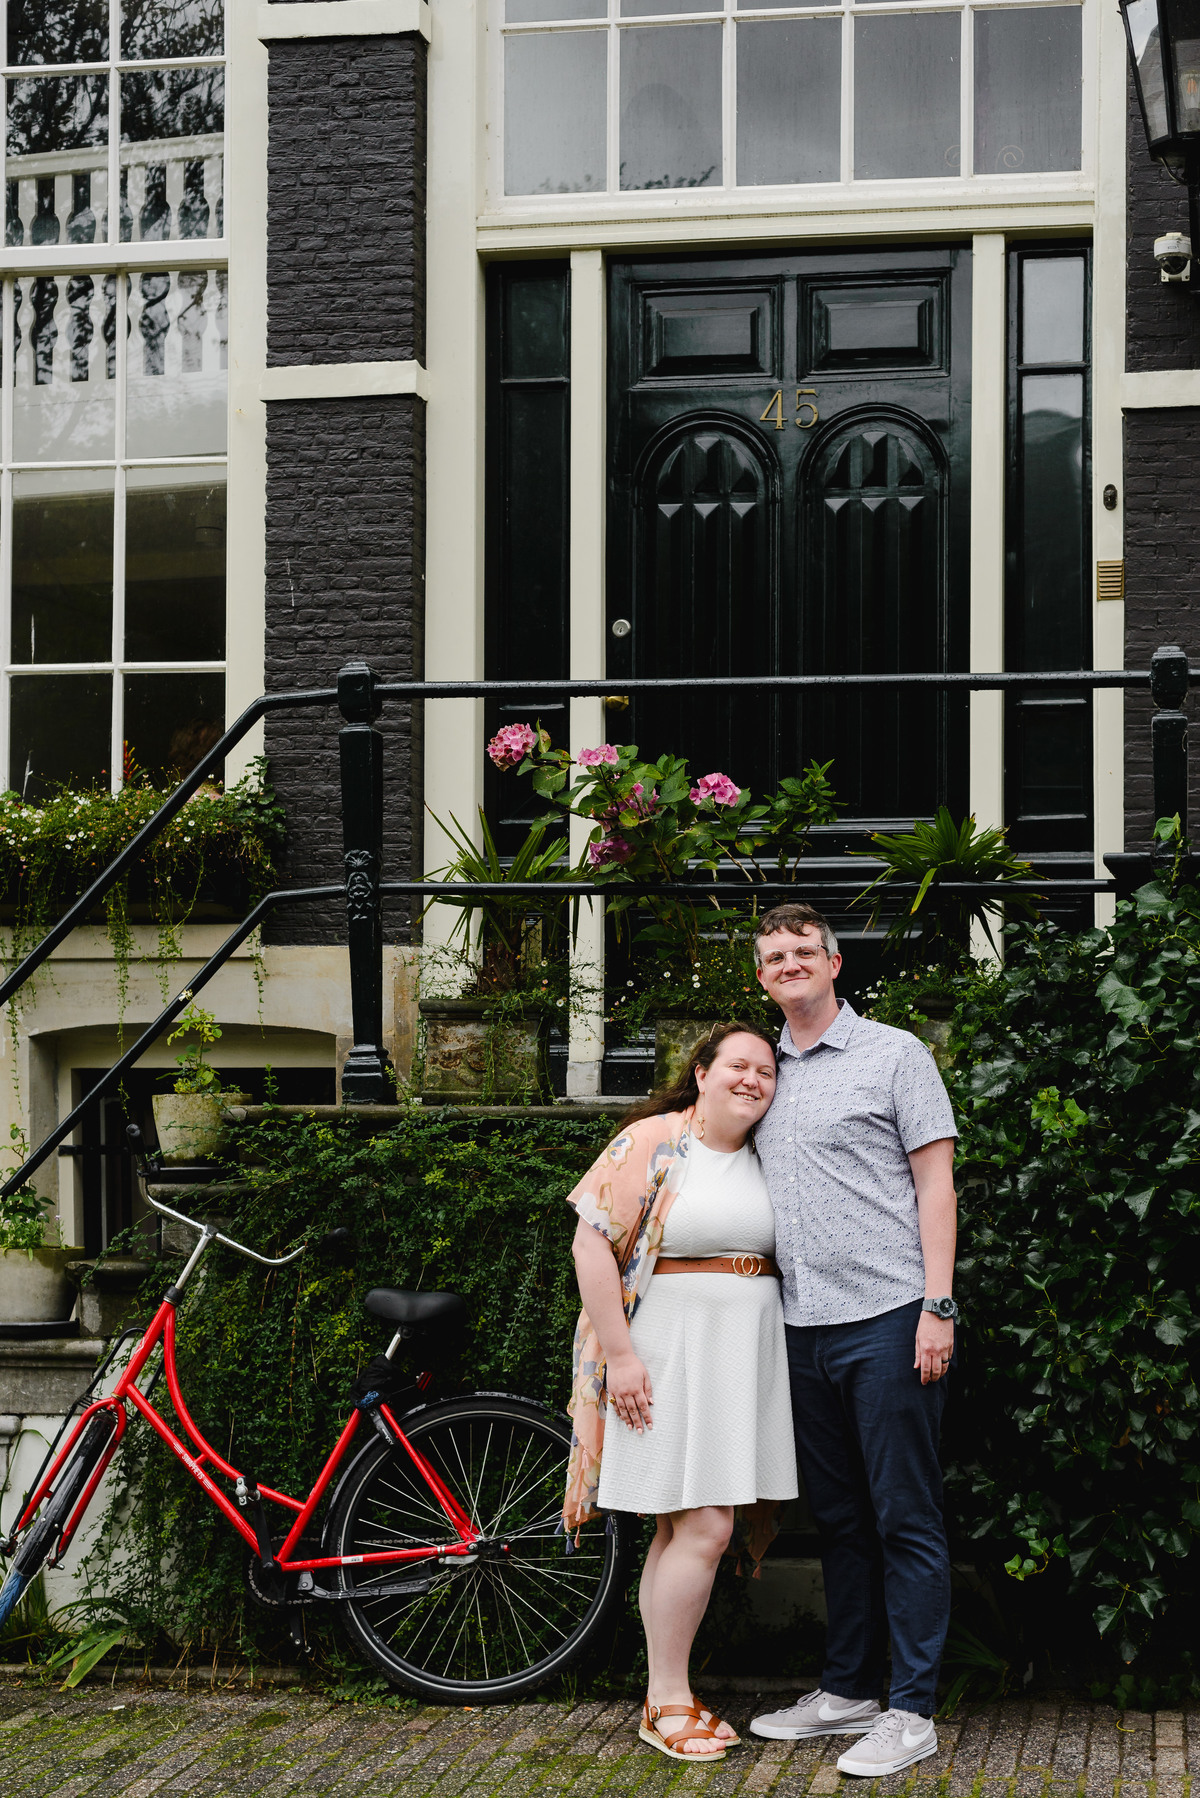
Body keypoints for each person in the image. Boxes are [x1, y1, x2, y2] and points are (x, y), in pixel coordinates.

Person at [747, 902, 959, 1779]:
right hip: (800, 1327)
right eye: (772, 956)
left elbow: (936, 1183)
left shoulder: (895, 1054)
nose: (788, 964)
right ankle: (847, 1692)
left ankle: (911, 1710)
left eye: (803, 951)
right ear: (761, 977)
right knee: (838, 1521)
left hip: (887, 1320)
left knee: (906, 1517)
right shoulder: (759, 1072)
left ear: (834, 964)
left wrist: (937, 1307)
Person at [562, 1022, 798, 1764]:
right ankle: (666, 1700)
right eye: (737, 1064)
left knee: (679, 1531)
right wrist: (623, 1359)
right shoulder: (654, 1141)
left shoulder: (771, 1156)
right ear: (701, 1072)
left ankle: (668, 1694)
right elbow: (589, 1242)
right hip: (666, 1356)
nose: (752, 1078)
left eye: (766, 1069)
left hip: (741, 1358)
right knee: (704, 1529)